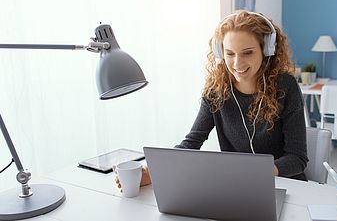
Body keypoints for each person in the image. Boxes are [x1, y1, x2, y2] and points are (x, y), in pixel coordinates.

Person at [116, 10, 308, 190]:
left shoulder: (285, 86)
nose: (237, 63)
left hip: (286, 185)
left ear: (266, 50)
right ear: (220, 52)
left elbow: (297, 157)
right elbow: (192, 142)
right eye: (230, 53)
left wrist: (261, 173)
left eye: (247, 52)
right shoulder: (217, 89)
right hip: (237, 187)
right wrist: (154, 172)